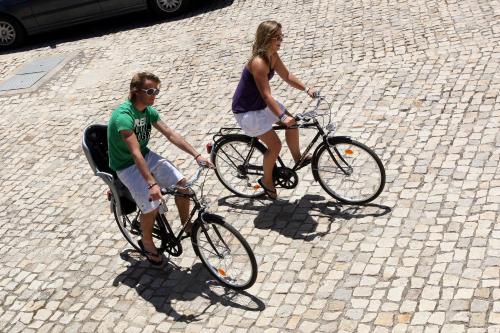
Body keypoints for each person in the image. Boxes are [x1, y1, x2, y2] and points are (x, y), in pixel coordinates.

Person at [108, 72, 213, 265]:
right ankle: (146, 241)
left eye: (156, 90)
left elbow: (170, 134)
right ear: (135, 91)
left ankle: (187, 225)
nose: (154, 94)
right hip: (126, 165)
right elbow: (135, 153)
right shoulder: (123, 116)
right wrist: (151, 184)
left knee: (182, 184)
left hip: (145, 155)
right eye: (150, 90)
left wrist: (197, 155)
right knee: (151, 204)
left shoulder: (148, 111)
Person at [232, 20, 317, 200]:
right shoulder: (259, 63)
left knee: (292, 122)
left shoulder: (273, 56)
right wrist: (280, 115)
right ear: (267, 38)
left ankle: (297, 157)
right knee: (275, 145)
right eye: (277, 37)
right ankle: (267, 180)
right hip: (248, 110)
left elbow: (287, 76)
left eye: (281, 35)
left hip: (260, 104)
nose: (281, 39)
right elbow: (266, 95)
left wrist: (306, 88)